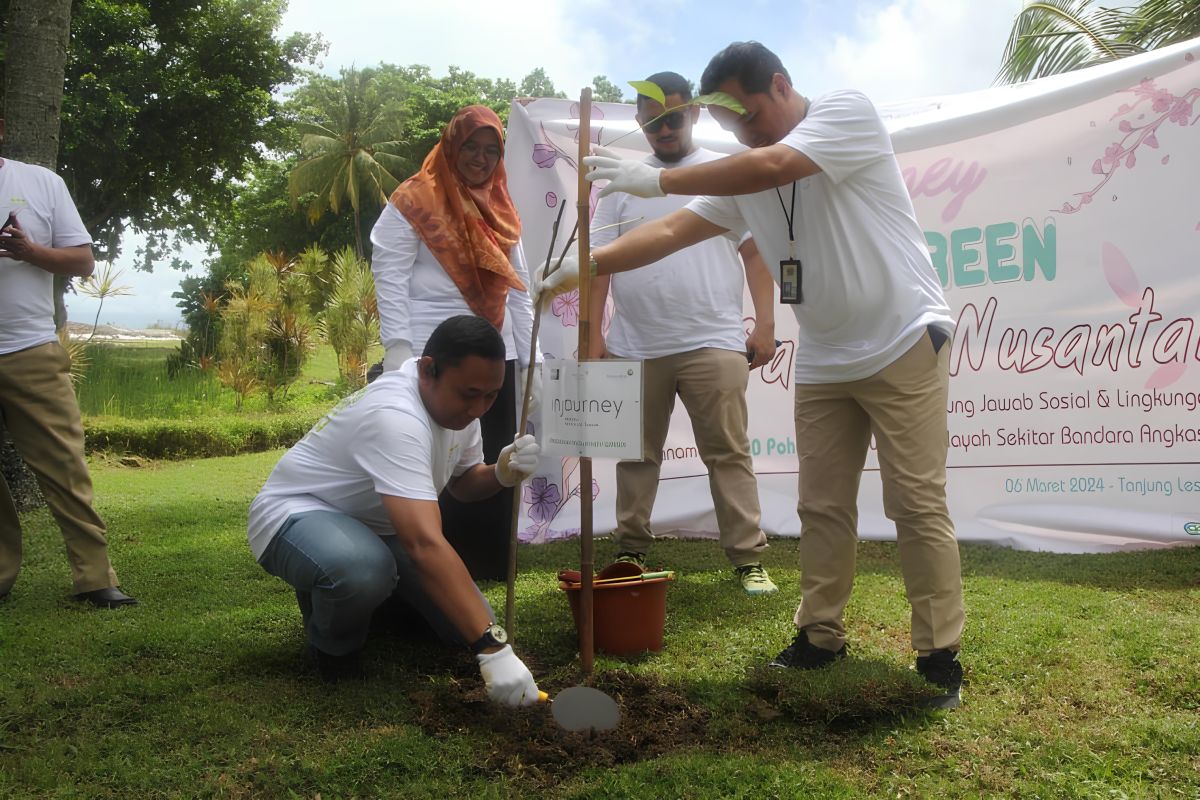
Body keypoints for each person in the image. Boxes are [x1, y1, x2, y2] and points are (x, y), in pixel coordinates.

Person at [536, 42, 965, 707]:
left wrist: (659, 178)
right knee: (821, 505)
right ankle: (820, 635)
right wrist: (585, 265)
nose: (742, 131)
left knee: (915, 501)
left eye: (749, 112)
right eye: (729, 121)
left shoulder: (845, 113)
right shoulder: (743, 172)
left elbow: (774, 162)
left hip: (903, 338)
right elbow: (674, 231)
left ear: (783, 84)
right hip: (826, 357)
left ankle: (938, 654)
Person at [247, 314, 543, 701]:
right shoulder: (394, 415)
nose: (479, 409)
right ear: (427, 370)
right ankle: (333, 650)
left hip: (378, 526)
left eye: (491, 396)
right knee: (362, 570)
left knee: (460, 629)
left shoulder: (458, 408)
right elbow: (422, 542)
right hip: (296, 515)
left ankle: (372, 609)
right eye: (470, 394)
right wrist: (494, 648)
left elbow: (464, 481)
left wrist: (500, 474)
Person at [588, 71, 779, 596]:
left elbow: (754, 251)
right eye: (651, 121)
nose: (663, 129)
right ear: (637, 122)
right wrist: (592, 337)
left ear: (694, 112)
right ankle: (629, 549)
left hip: (712, 341)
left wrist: (765, 323)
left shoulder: (722, 173)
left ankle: (747, 557)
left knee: (729, 454)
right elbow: (599, 266)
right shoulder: (620, 183)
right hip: (634, 343)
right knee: (635, 454)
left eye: (672, 117)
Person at [370, 105, 539, 581]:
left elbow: (520, 289)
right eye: (471, 147)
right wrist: (398, 349)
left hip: (493, 357)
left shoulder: (501, 206)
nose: (480, 159)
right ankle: (425, 568)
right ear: (451, 145)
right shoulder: (415, 198)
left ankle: (483, 567)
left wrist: (533, 361)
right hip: (432, 356)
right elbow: (390, 274)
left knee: (490, 462)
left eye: (491, 151)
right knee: (426, 459)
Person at [0, 121, 137, 609]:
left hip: (29, 349)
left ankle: (96, 579)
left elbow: (82, 261)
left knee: (64, 465)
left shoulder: (40, 183)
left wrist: (30, 252)